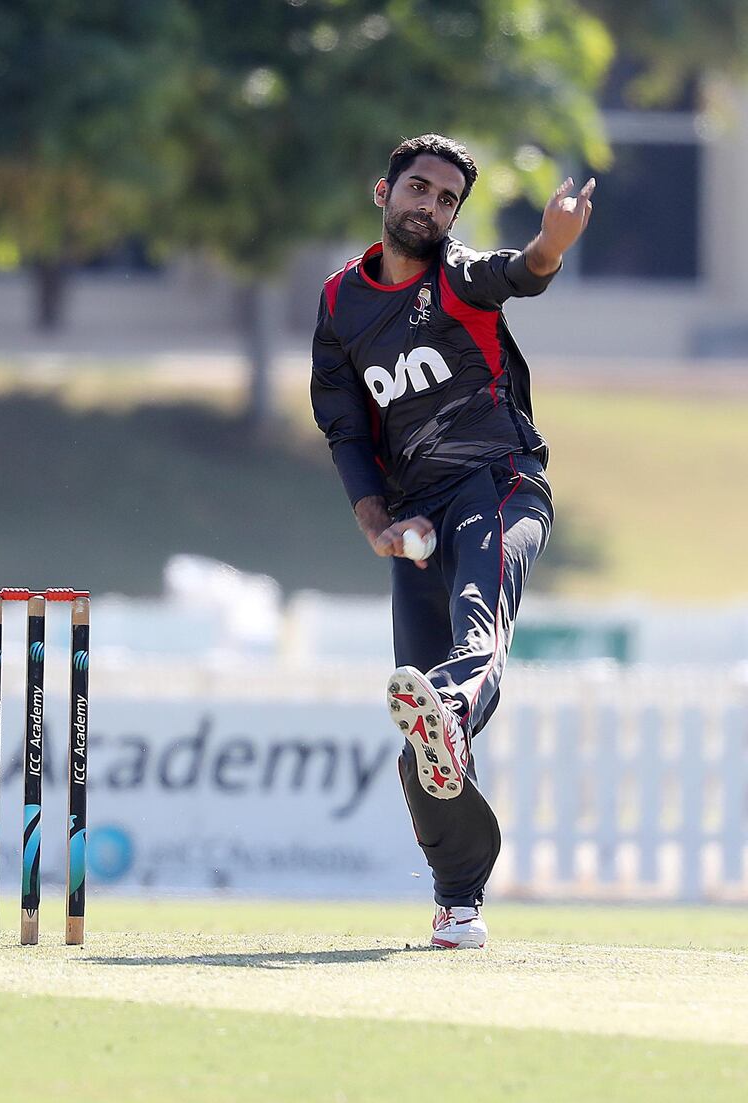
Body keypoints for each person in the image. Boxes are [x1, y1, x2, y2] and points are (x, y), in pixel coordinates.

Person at [310, 134, 594, 948]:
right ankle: (457, 902)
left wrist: (551, 244)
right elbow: (343, 429)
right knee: (417, 725)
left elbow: (518, 272)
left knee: (473, 636)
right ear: (384, 192)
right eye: (420, 190)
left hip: (499, 485)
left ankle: (459, 705)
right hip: (417, 520)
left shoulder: (459, 278)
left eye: (446, 201)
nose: (431, 207)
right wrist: (378, 525)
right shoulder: (338, 307)